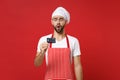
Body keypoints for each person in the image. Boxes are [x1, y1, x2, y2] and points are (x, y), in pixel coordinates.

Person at [34, 6, 83, 80]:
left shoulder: (73, 41)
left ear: (66, 21)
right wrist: (42, 52)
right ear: (52, 22)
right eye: (55, 19)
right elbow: (37, 64)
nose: (58, 22)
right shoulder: (44, 40)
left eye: (61, 19)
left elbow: (77, 66)